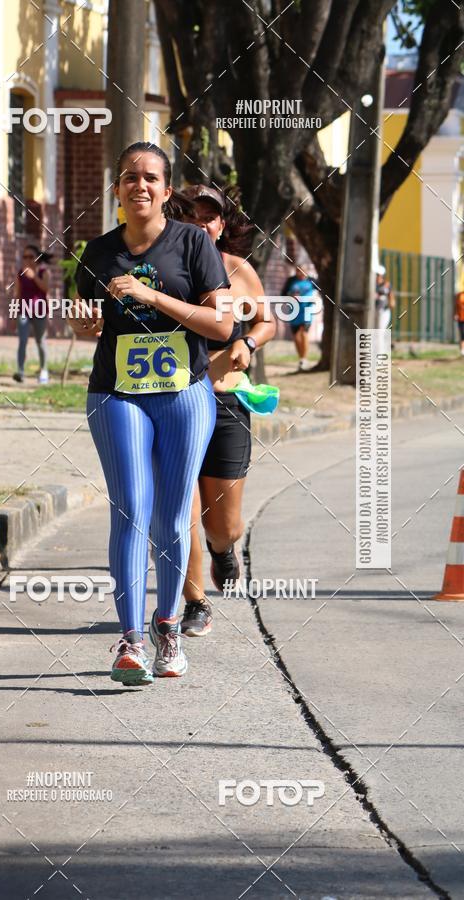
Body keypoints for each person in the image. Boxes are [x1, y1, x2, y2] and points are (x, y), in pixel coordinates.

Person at [71, 141, 233, 686]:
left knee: (170, 514)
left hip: (184, 392)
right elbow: (84, 319)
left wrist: (152, 296)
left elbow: (222, 327)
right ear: (116, 189)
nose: (139, 185)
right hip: (117, 392)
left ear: (165, 191)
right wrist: (81, 323)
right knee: (130, 509)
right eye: (129, 177)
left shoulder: (193, 243)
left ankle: (168, 629)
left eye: (150, 177)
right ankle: (131, 640)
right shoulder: (97, 253)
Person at [179, 185, 276, 636]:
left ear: (221, 225)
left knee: (225, 525)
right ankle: (195, 603)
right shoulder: (166, 268)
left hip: (226, 403)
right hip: (175, 401)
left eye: (210, 217)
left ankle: (222, 550)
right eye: (192, 216)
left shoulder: (238, 270)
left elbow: (265, 319)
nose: (202, 224)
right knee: (181, 511)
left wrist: (248, 342)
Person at [13, 245, 52, 384]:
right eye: (25, 257)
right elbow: (17, 294)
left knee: (40, 341)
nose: (27, 260)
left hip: (39, 311)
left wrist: (34, 276)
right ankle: (20, 372)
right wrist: (14, 314)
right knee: (22, 341)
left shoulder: (44, 272)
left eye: (31, 257)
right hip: (23, 311)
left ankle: (44, 370)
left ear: (37, 258)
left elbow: (45, 289)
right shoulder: (20, 273)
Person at [282, 266, 317, 370]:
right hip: (294, 311)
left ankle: (304, 359)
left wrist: (315, 299)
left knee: (304, 333)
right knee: (296, 336)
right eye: (299, 271)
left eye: (303, 271)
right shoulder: (291, 281)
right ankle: (301, 358)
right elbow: (283, 294)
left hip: (307, 310)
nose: (301, 273)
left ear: (306, 272)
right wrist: (291, 297)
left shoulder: (312, 281)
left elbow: (320, 292)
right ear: (296, 272)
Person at [374, 265, 394, 331]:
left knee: (380, 330)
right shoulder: (373, 285)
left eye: (378, 275)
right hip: (374, 310)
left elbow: (391, 299)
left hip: (384, 310)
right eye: (376, 275)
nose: (377, 276)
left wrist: (391, 302)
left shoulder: (386, 284)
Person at [455, 287, 464, 357]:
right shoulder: (459, 295)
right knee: (462, 333)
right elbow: (456, 306)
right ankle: (462, 349)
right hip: (461, 317)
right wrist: (456, 314)